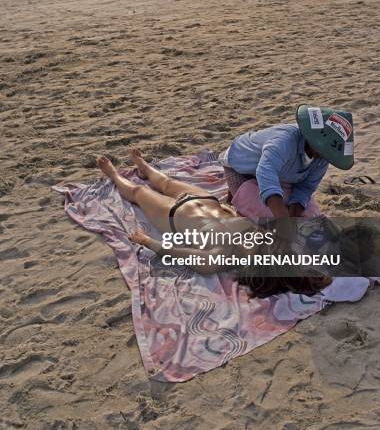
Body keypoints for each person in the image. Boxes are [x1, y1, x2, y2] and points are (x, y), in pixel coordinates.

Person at [96, 148, 330, 298]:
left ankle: (114, 175)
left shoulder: (222, 257)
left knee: (137, 192)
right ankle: (144, 167)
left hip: (174, 215)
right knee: (166, 182)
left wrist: (148, 241)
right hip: (206, 201)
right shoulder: (266, 239)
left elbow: (184, 255)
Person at [220, 105, 354, 218]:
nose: (325, 154)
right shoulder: (285, 140)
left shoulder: (322, 159)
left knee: (311, 214)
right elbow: (266, 173)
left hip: (282, 175)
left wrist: (293, 215)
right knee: (267, 217)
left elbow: (306, 187)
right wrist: (283, 221)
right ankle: (236, 195)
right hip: (241, 168)